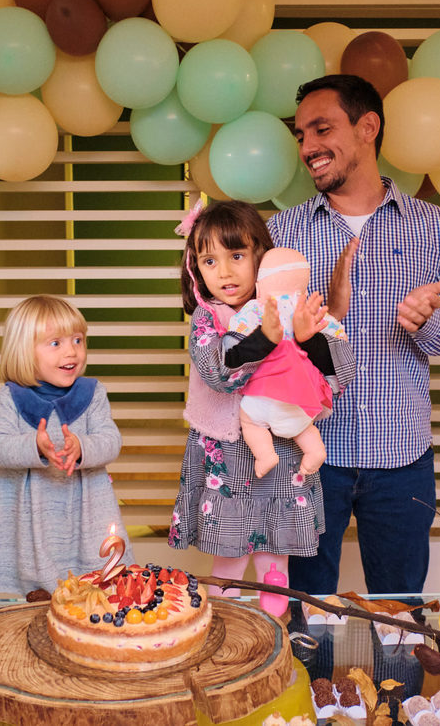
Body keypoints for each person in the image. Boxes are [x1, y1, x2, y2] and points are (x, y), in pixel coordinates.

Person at [268, 74, 440, 598]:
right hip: (308, 455)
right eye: (301, 135)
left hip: (402, 458)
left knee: (400, 613)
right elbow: (257, 349)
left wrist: (427, 323)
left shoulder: (434, 228)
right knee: (304, 610)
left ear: (368, 127)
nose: (308, 147)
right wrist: (310, 329)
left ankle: (400, 682)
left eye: (322, 129)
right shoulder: (282, 234)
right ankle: (313, 683)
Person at [167, 200, 355, 614]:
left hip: (283, 451)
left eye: (236, 256)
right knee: (229, 561)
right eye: (209, 261)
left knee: (276, 555)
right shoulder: (207, 318)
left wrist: (306, 337)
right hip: (227, 454)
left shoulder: (292, 307)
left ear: (261, 257)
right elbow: (216, 371)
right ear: (196, 269)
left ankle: (274, 618)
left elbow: (340, 374)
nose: (225, 272)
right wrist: (264, 339)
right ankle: (230, 623)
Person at [0, 295, 133, 596]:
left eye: (77, 340)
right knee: (35, 602)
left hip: (86, 512)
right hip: (31, 517)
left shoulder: (92, 393)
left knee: (94, 594)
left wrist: (82, 447)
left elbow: (111, 441)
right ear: (24, 351)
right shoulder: (10, 398)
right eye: (55, 343)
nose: (72, 351)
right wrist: (33, 446)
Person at [226, 247, 347, 478]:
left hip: (264, 393)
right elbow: (336, 332)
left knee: (250, 423)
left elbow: (237, 333)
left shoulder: (257, 307)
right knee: (304, 427)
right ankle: (314, 451)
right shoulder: (307, 310)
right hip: (303, 396)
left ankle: (265, 455)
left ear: (259, 286)